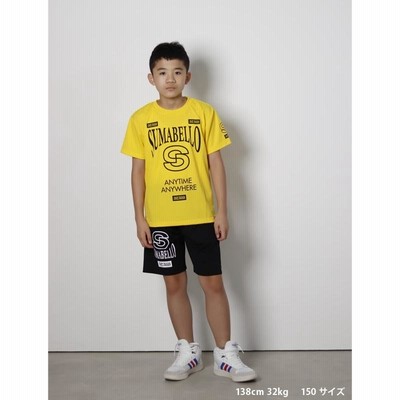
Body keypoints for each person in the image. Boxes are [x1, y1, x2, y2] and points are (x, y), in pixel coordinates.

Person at [121, 42, 256, 382]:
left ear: (188, 77)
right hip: (161, 220)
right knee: (174, 284)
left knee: (213, 283)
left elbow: (216, 164)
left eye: (177, 72)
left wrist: (222, 211)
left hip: (201, 215)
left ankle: (225, 354)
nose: (170, 79)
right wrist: (139, 217)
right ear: (151, 78)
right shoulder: (140, 119)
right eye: (162, 72)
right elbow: (137, 171)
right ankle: (188, 352)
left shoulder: (204, 113)